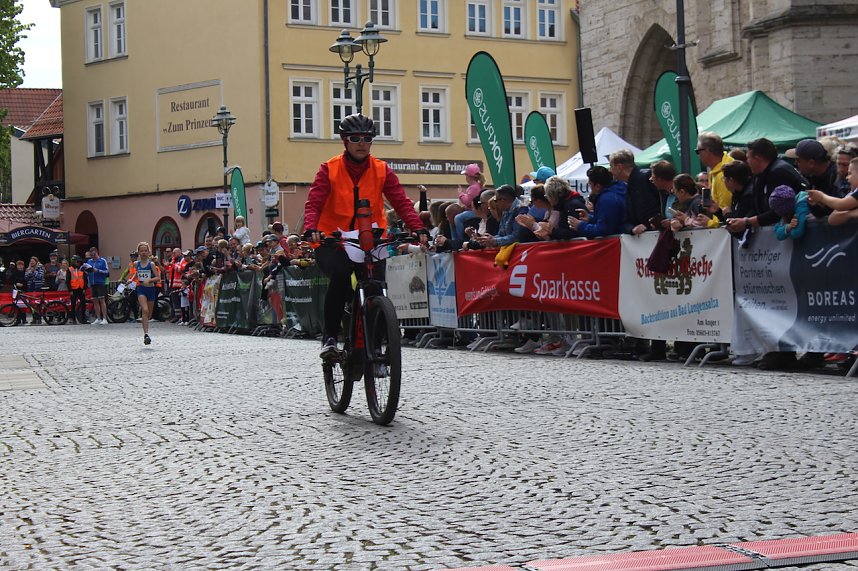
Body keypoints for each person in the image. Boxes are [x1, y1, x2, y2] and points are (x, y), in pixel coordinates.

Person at [303, 113, 426, 359]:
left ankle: (378, 343)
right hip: (332, 238)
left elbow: (400, 201)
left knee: (376, 288)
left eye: (367, 139)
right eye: (355, 138)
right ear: (344, 140)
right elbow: (314, 202)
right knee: (339, 277)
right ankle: (329, 338)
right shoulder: (329, 168)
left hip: (371, 236)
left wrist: (418, 228)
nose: (362, 143)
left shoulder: (382, 170)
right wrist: (311, 227)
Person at [609, 149, 661, 234]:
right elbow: (626, 219)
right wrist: (632, 229)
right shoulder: (627, 186)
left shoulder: (647, 177)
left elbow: (662, 204)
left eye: (611, 166)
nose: (610, 171)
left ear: (619, 167)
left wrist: (653, 224)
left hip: (658, 234)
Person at [785, 138, 840, 217]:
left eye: (798, 160)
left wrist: (823, 201)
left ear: (811, 163)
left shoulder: (837, 174)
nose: (795, 163)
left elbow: (843, 208)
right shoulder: (812, 178)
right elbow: (818, 214)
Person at [568, 166, 627, 238]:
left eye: (590, 184)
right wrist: (590, 218)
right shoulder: (618, 190)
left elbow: (603, 230)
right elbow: (610, 220)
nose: (590, 188)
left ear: (597, 186)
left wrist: (580, 226)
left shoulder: (607, 200)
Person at [808, 156, 858, 225]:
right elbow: (832, 219)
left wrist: (821, 197)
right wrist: (851, 214)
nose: (847, 177)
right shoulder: (853, 192)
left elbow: (841, 204)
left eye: (850, 173)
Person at [446, 163, 485, 241]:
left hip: (473, 211)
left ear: (469, 176)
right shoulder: (474, 187)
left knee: (458, 218)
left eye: (466, 175)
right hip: (470, 209)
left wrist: (460, 194)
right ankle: (454, 238)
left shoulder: (474, 188)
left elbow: (467, 201)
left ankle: (459, 239)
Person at [133, 241, 162, 345]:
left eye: (145, 251)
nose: (144, 253)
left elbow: (158, 278)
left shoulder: (151, 264)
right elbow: (137, 274)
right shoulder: (136, 264)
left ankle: (146, 328)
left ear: (148, 252)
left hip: (151, 290)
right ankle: (146, 334)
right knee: (144, 310)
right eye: (142, 251)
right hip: (141, 289)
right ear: (139, 253)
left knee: (148, 314)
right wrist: (131, 280)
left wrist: (149, 280)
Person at [696, 131, 732, 212]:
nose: (698, 155)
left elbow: (725, 213)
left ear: (708, 150)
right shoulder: (717, 170)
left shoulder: (723, 174)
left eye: (698, 151)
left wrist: (708, 222)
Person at [87, 246, 111, 325]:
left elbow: (107, 272)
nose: (93, 256)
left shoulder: (102, 261)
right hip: (92, 282)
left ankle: (104, 318)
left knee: (102, 299)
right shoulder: (89, 261)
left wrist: (98, 270)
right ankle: (98, 318)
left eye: (94, 254)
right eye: (91, 255)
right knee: (95, 300)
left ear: (97, 253)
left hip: (101, 282)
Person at [24, 256, 45, 324]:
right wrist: (30, 273)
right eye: (31, 262)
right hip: (30, 287)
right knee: (31, 304)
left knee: (38, 304)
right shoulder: (28, 268)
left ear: (36, 262)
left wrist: (34, 272)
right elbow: (26, 278)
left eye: (33, 261)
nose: (32, 263)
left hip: (38, 287)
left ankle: (39, 318)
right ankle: (34, 318)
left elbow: (40, 276)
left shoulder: (40, 267)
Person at [68, 255, 88, 324]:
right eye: (77, 262)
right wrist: (70, 290)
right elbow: (68, 281)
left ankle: (83, 318)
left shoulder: (82, 269)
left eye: (79, 262)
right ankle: (73, 319)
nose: (78, 263)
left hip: (81, 288)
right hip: (73, 289)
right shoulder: (70, 269)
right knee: (73, 304)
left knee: (83, 304)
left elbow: (85, 279)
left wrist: (85, 288)